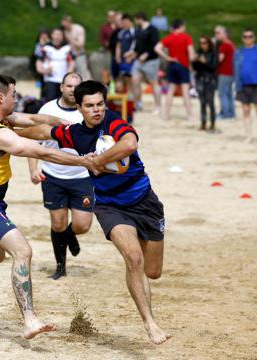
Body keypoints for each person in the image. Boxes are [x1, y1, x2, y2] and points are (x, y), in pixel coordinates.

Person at [0, 74, 98, 340]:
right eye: (14, 94)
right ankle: (30, 320)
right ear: (0, 97)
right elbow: (40, 151)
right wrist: (84, 161)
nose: (17, 98)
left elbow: (36, 120)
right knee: (22, 251)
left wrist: (73, 124)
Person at [17, 80, 172, 345]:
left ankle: (143, 287)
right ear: (79, 108)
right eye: (90, 106)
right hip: (110, 205)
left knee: (153, 271)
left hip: (145, 201)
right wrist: (10, 130)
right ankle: (150, 322)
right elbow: (43, 130)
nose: (96, 110)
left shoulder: (113, 122)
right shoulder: (75, 133)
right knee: (133, 258)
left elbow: (130, 145)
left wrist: (96, 161)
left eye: (100, 104)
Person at [27, 73, 93, 280]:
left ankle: (70, 235)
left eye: (77, 86)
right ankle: (60, 267)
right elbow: (34, 140)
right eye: (69, 86)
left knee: (83, 225)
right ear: (61, 87)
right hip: (52, 175)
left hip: (82, 175)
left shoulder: (88, 109)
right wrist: (33, 169)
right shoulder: (47, 110)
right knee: (58, 223)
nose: (73, 90)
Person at [234, 28, 257, 144]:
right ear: (242, 38)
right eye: (245, 36)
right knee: (245, 110)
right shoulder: (238, 52)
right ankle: (248, 136)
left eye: (250, 36)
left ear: (254, 38)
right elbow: (235, 69)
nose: (248, 38)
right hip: (243, 84)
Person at [155, 19, 195, 122]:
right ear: (181, 26)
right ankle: (190, 115)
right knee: (185, 91)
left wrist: (167, 57)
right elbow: (191, 53)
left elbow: (157, 48)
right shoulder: (186, 37)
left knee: (170, 90)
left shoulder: (169, 37)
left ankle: (166, 115)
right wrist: (192, 64)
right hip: (183, 65)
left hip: (172, 65)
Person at [131, 12, 161, 114]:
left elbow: (155, 44)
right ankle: (137, 104)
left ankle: (158, 106)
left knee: (154, 83)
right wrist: (132, 53)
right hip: (139, 60)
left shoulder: (153, 29)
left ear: (140, 18)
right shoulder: (138, 29)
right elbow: (137, 44)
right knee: (135, 81)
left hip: (151, 60)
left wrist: (147, 54)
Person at [36, 28, 74, 102]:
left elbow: (71, 62)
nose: (57, 36)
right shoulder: (45, 48)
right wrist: (44, 70)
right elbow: (39, 64)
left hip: (63, 80)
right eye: (55, 34)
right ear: (52, 35)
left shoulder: (67, 48)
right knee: (50, 100)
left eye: (59, 34)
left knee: (63, 101)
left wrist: (69, 74)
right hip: (50, 80)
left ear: (62, 36)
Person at [192, 35, 218, 131]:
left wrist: (205, 62)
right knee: (202, 102)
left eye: (204, 43)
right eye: (201, 43)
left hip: (210, 80)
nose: (202, 45)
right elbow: (195, 68)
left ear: (209, 43)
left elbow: (214, 67)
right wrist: (194, 61)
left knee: (211, 102)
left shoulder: (213, 53)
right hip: (200, 79)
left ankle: (212, 123)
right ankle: (203, 122)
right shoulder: (199, 53)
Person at [214, 25, 236, 120]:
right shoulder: (231, 44)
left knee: (222, 93)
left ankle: (225, 113)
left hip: (224, 73)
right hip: (231, 73)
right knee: (229, 93)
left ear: (225, 34)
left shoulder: (224, 45)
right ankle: (231, 113)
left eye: (218, 33)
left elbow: (219, 59)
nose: (216, 35)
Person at [62, 15, 92, 81]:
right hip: (69, 57)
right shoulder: (64, 31)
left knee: (83, 75)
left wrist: (70, 38)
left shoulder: (78, 29)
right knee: (69, 76)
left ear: (70, 22)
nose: (65, 27)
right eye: (64, 26)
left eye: (66, 25)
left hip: (79, 55)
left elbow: (81, 44)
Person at [115, 14, 136, 92]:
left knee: (132, 76)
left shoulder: (134, 32)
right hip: (123, 58)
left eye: (126, 22)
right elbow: (118, 45)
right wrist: (117, 56)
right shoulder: (121, 32)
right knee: (125, 75)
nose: (124, 24)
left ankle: (133, 92)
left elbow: (136, 45)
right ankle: (128, 92)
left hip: (130, 58)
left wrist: (131, 55)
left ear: (131, 22)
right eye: (123, 22)